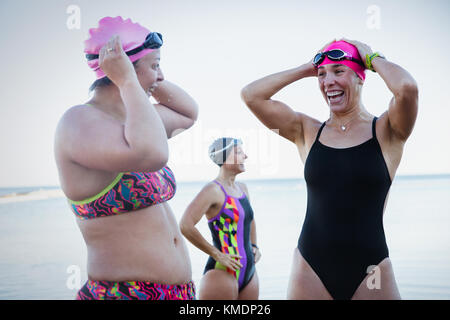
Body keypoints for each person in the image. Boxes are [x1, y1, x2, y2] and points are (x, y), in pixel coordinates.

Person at [241, 39, 418, 300]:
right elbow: (251, 95)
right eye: (322, 75)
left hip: (372, 270)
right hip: (310, 267)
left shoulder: (387, 130)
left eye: (338, 71)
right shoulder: (306, 130)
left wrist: (372, 59)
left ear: (360, 77)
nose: (328, 82)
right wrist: (307, 68)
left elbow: (407, 88)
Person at [54, 16, 198, 300]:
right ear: (122, 70)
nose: (161, 76)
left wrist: (144, 75)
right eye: (155, 66)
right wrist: (129, 81)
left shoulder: (138, 122)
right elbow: (152, 154)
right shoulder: (78, 123)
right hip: (121, 294)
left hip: (178, 294)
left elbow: (187, 114)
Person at [180, 138, 261, 299]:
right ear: (223, 158)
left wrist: (254, 245)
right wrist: (217, 254)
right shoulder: (213, 190)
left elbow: (249, 220)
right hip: (221, 271)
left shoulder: (242, 188)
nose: (245, 156)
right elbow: (185, 225)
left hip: (249, 271)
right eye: (238, 152)